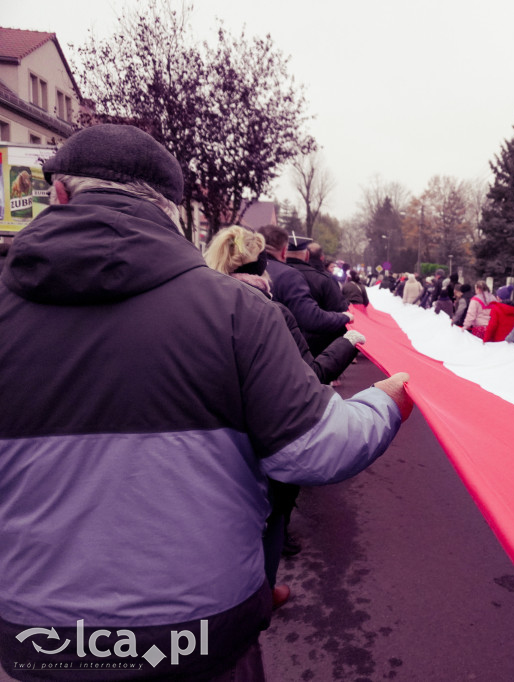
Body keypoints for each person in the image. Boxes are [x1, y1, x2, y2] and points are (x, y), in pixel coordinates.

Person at [0, 124, 413, 680]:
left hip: (36, 639)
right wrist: (386, 403)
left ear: (62, 195)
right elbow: (316, 450)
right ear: (172, 209)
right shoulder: (237, 313)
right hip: (199, 636)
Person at [205, 226, 366, 607]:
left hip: (213, 434)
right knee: (271, 515)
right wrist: (348, 343)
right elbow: (310, 375)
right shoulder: (271, 312)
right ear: (262, 265)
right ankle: (263, 591)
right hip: (264, 436)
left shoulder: (197, 305)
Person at [259, 225, 351, 356]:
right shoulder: (290, 275)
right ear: (283, 251)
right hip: (292, 352)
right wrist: (344, 317)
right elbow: (311, 317)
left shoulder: (244, 270)